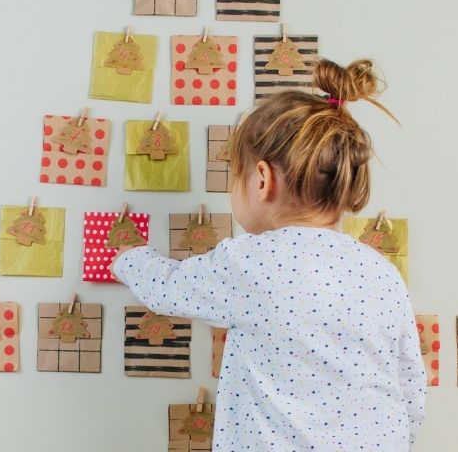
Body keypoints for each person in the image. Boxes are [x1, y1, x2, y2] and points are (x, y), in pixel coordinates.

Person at [111, 58, 426, 451]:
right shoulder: (381, 272)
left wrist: (128, 258)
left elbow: (169, 288)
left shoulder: (251, 261)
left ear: (262, 180)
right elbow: (410, 389)